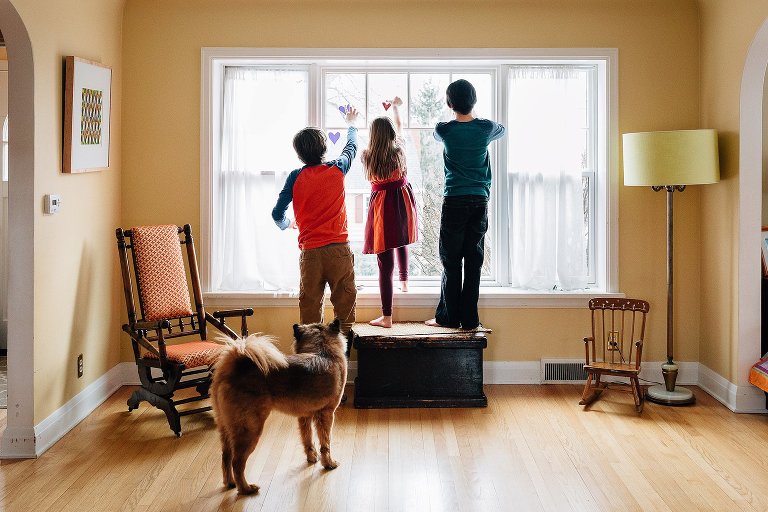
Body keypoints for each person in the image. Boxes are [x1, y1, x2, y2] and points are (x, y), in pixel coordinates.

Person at [272, 107, 360, 335]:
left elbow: (276, 214)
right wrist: (351, 124)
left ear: (299, 154)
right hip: (339, 251)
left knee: (310, 320)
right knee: (345, 317)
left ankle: (313, 369)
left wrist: (287, 223)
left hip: (311, 254)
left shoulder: (295, 176)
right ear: (324, 148)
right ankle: (341, 368)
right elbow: (351, 148)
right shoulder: (337, 168)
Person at [425, 79, 506, 330]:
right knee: (473, 261)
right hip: (479, 200)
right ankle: (470, 320)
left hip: (455, 200)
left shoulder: (445, 129)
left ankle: (448, 318)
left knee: (451, 260)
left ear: (450, 104)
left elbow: (437, 132)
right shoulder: (485, 128)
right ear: (475, 101)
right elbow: (501, 129)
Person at [361, 97, 418, 328]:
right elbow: (400, 128)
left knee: (384, 261)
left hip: (382, 205)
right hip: (402, 201)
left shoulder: (368, 155)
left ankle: (387, 316)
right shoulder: (399, 151)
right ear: (391, 134)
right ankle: (404, 282)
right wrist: (396, 108)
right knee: (401, 240)